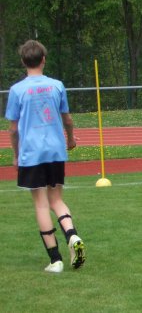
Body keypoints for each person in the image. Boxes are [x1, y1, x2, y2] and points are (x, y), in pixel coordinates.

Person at [5, 40, 86, 272]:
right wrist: (70, 139)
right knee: (56, 200)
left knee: (41, 205)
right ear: (43, 59)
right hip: (55, 150)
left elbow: (13, 129)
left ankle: (55, 260)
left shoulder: (17, 90)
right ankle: (72, 236)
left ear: (23, 62)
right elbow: (67, 119)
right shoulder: (57, 85)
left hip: (31, 153)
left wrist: (16, 155)